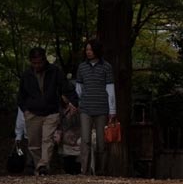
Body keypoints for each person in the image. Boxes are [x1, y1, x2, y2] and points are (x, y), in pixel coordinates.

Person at [17, 47, 77, 175]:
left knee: (47, 140)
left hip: (51, 111)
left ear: (44, 60)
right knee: (33, 143)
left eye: (40, 62)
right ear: (30, 61)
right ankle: (40, 168)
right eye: (34, 63)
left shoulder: (55, 71)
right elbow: (21, 95)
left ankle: (43, 166)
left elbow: (66, 87)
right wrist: (25, 110)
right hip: (32, 112)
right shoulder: (26, 75)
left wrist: (73, 102)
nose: (37, 65)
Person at [76, 37, 116, 175]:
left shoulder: (106, 67)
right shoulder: (82, 67)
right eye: (86, 49)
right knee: (85, 140)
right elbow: (79, 88)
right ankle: (85, 170)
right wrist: (79, 102)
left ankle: (101, 170)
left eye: (91, 49)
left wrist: (112, 110)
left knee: (101, 142)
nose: (88, 52)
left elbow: (110, 89)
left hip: (101, 108)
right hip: (86, 107)